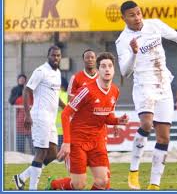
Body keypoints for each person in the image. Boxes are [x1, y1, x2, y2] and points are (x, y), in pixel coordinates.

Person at [115, 0, 177, 190]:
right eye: (132, 15)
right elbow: (125, 72)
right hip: (143, 85)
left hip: (163, 84)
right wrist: (134, 53)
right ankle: (134, 171)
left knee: (164, 138)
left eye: (139, 13)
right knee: (146, 124)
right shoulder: (123, 40)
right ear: (123, 18)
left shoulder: (155, 25)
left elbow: (175, 36)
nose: (137, 18)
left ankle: (154, 184)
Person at [46, 52, 129, 190]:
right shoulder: (86, 90)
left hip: (97, 142)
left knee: (103, 182)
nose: (107, 69)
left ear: (114, 70)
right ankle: (54, 185)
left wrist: (117, 121)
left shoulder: (115, 91)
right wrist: (67, 143)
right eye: (103, 66)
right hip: (78, 141)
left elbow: (105, 116)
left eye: (110, 66)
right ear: (98, 70)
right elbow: (66, 114)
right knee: (79, 185)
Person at [13, 45, 65, 190]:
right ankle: (33, 189)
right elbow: (26, 91)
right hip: (40, 116)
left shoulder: (58, 72)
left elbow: (55, 96)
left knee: (53, 153)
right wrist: (27, 115)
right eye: (53, 55)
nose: (56, 58)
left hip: (51, 118)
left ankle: (22, 177)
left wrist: (66, 108)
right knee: (41, 152)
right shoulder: (41, 71)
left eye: (58, 55)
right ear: (48, 56)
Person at [56, 77, 69, 149]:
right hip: (57, 130)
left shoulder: (65, 95)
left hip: (60, 131)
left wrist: (60, 104)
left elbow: (68, 109)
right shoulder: (66, 95)